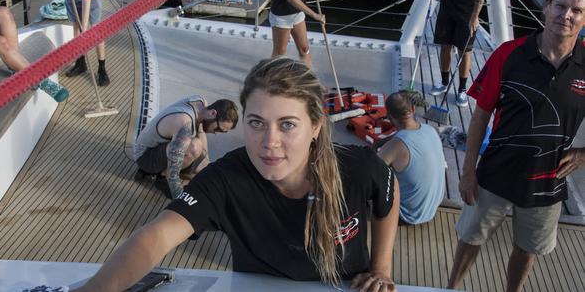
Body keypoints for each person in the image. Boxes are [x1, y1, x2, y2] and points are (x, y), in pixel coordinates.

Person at [73, 57, 400, 292]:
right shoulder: (226, 179)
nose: (269, 142)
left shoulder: (358, 168)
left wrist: (381, 268)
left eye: (287, 124)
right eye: (256, 123)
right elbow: (156, 236)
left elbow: (388, 191)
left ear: (315, 126)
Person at [447, 0, 585, 292]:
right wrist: (468, 169)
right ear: (546, 7)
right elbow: (481, 114)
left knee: (527, 249)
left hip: (548, 181)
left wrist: (581, 154)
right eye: (560, 6)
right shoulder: (509, 53)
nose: (567, 15)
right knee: (470, 238)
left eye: (576, 10)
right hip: (495, 172)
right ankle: (451, 287)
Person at [133, 96, 238, 199]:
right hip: (145, 157)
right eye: (218, 129)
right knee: (194, 147)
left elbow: (200, 132)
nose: (216, 133)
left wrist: (205, 161)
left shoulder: (201, 103)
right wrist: (179, 198)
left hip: (164, 147)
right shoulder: (184, 124)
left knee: (207, 169)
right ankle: (162, 178)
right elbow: (172, 174)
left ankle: (166, 172)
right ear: (213, 113)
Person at [378, 91, 446, 225]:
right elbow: (406, 137)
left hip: (408, 216)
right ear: (413, 109)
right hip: (431, 209)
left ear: (389, 116)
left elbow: (372, 172)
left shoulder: (395, 147)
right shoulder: (430, 130)